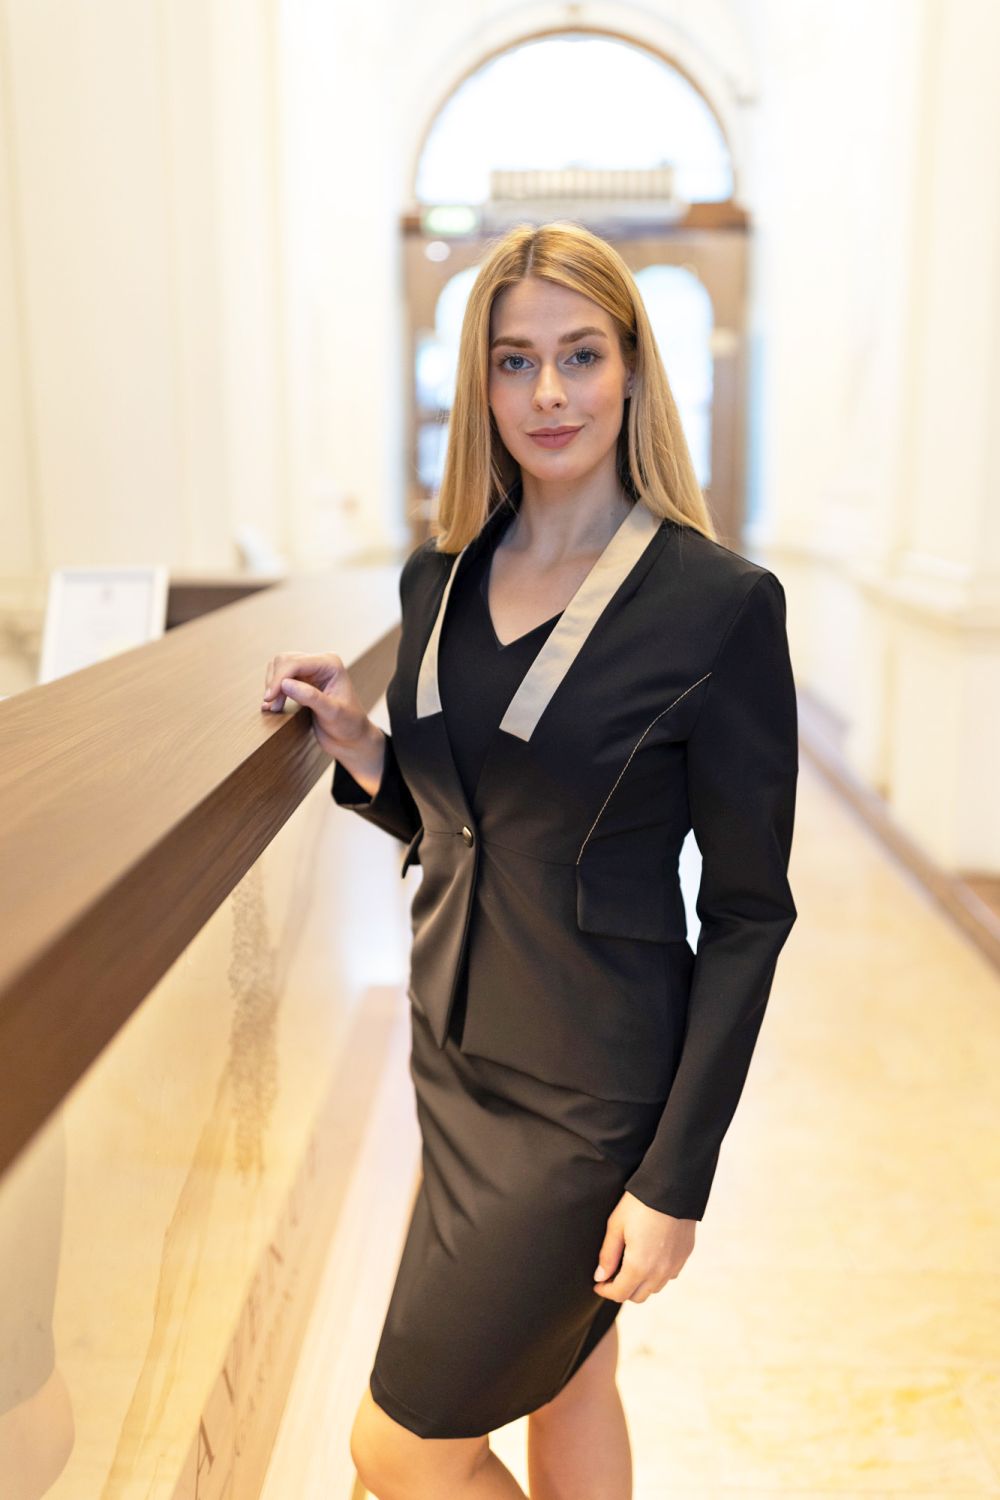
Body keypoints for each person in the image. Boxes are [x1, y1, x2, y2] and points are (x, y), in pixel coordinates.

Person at [260, 220, 798, 1500]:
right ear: (479, 382)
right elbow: (474, 819)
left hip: (589, 1095)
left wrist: (674, 1179)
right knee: (573, 1378)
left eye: (580, 355)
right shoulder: (438, 576)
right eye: (514, 361)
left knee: (397, 1449)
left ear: (632, 368)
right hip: (452, 1061)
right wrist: (362, 747)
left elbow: (747, 915)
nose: (548, 392)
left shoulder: (717, 606)